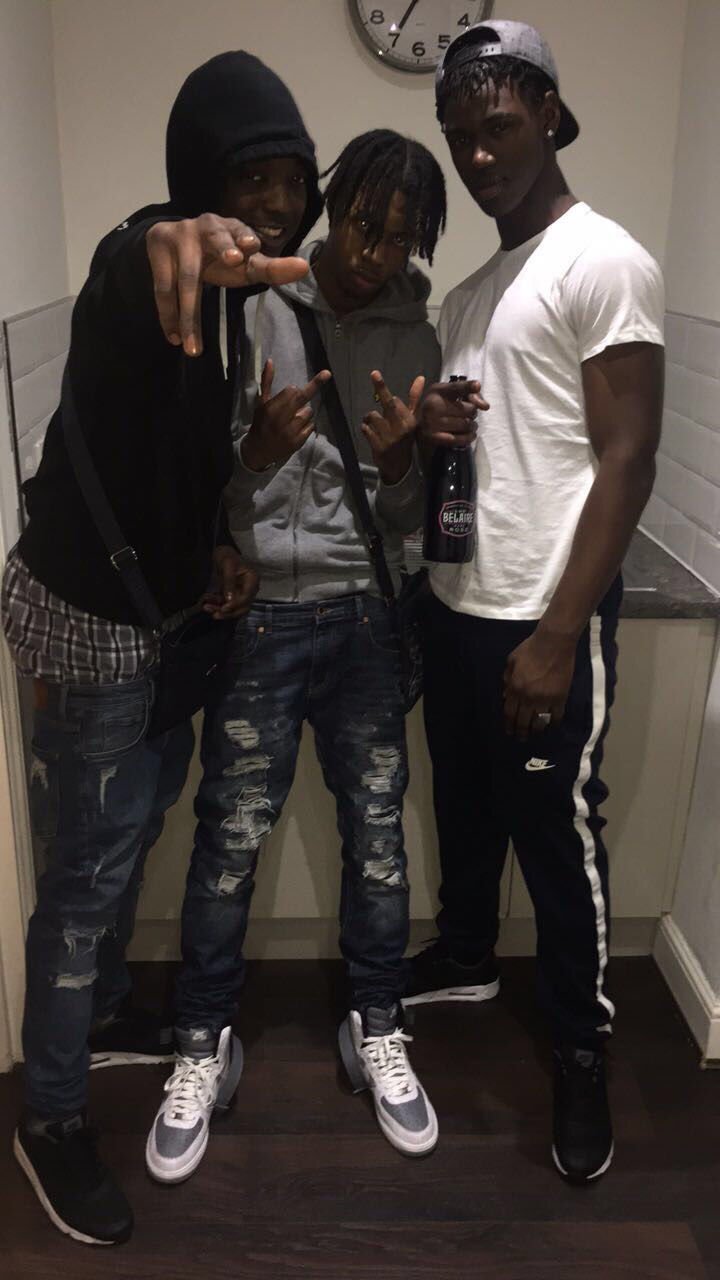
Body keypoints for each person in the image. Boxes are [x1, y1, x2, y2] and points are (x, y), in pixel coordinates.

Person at [2, 51, 324, 1245]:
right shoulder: (149, 262)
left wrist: (232, 514)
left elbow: (171, 468)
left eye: (290, 180)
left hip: (167, 626)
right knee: (82, 888)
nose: (274, 205)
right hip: (90, 632)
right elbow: (136, 268)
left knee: (132, 835)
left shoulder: (237, 314)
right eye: (249, 179)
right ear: (199, 182)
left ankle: (99, 1015)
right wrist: (172, 240)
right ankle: (50, 1118)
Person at [144, 130, 446, 1182]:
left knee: (378, 836)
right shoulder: (254, 303)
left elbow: (407, 519)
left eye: (399, 238)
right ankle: (201, 1040)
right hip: (265, 615)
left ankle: (378, 1021)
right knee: (228, 838)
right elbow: (208, 488)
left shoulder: (418, 332)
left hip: (366, 615)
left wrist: (402, 467)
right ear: (333, 204)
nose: (374, 253)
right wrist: (259, 453)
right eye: (363, 224)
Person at [404, 21, 664, 1184]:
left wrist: (559, 636)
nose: (477, 155)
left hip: (539, 616)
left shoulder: (602, 258)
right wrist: (432, 435)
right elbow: (495, 450)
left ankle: (581, 1047)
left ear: (550, 115)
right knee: (466, 808)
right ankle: (467, 954)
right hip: (456, 603)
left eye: (498, 127)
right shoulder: (471, 292)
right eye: (459, 135)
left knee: (557, 837)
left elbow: (628, 458)